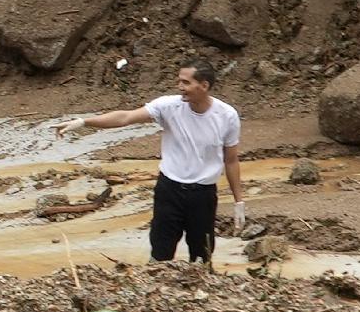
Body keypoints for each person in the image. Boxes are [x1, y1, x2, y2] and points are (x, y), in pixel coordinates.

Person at [54, 59, 246, 264]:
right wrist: (84, 122)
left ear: (204, 85)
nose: (180, 87)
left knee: (202, 254)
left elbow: (231, 160)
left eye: (186, 83)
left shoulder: (227, 116)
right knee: (161, 252)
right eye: (179, 82)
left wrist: (238, 202)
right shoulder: (168, 106)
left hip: (203, 194)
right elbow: (125, 117)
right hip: (169, 190)